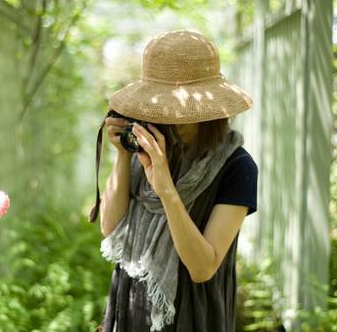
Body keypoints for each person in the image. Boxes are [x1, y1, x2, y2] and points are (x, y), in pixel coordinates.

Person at [91, 30, 258, 332]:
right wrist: (121, 155)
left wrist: (167, 190)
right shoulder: (145, 146)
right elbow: (110, 226)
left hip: (191, 315)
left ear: (206, 110)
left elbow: (203, 267)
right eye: (155, 103)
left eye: (174, 107)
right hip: (130, 302)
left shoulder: (236, 166)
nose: (161, 114)